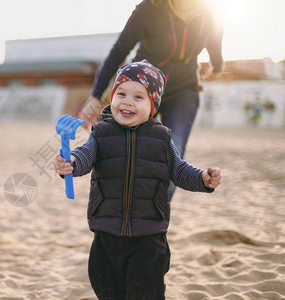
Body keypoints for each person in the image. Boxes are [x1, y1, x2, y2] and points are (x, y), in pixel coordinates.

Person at [54, 61, 222, 299]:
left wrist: (202, 178)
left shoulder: (161, 138)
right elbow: (85, 155)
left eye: (138, 97)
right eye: (120, 93)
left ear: (153, 105)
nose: (127, 102)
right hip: (106, 232)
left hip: (149, 236)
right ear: (112, 98)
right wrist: (69, 162)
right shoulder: (101, 133)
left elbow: (180, 170)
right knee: (106, 287)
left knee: (146, 292)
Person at [78, 0, 224, 200]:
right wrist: (96, 95)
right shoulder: (148, 9)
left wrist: (216, 67)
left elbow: (215, 46)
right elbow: (119, 50)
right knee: (117, 145)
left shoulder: (210, 14)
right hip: (141, 89)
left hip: (184, 89)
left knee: (173, 153)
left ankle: (154, 216)